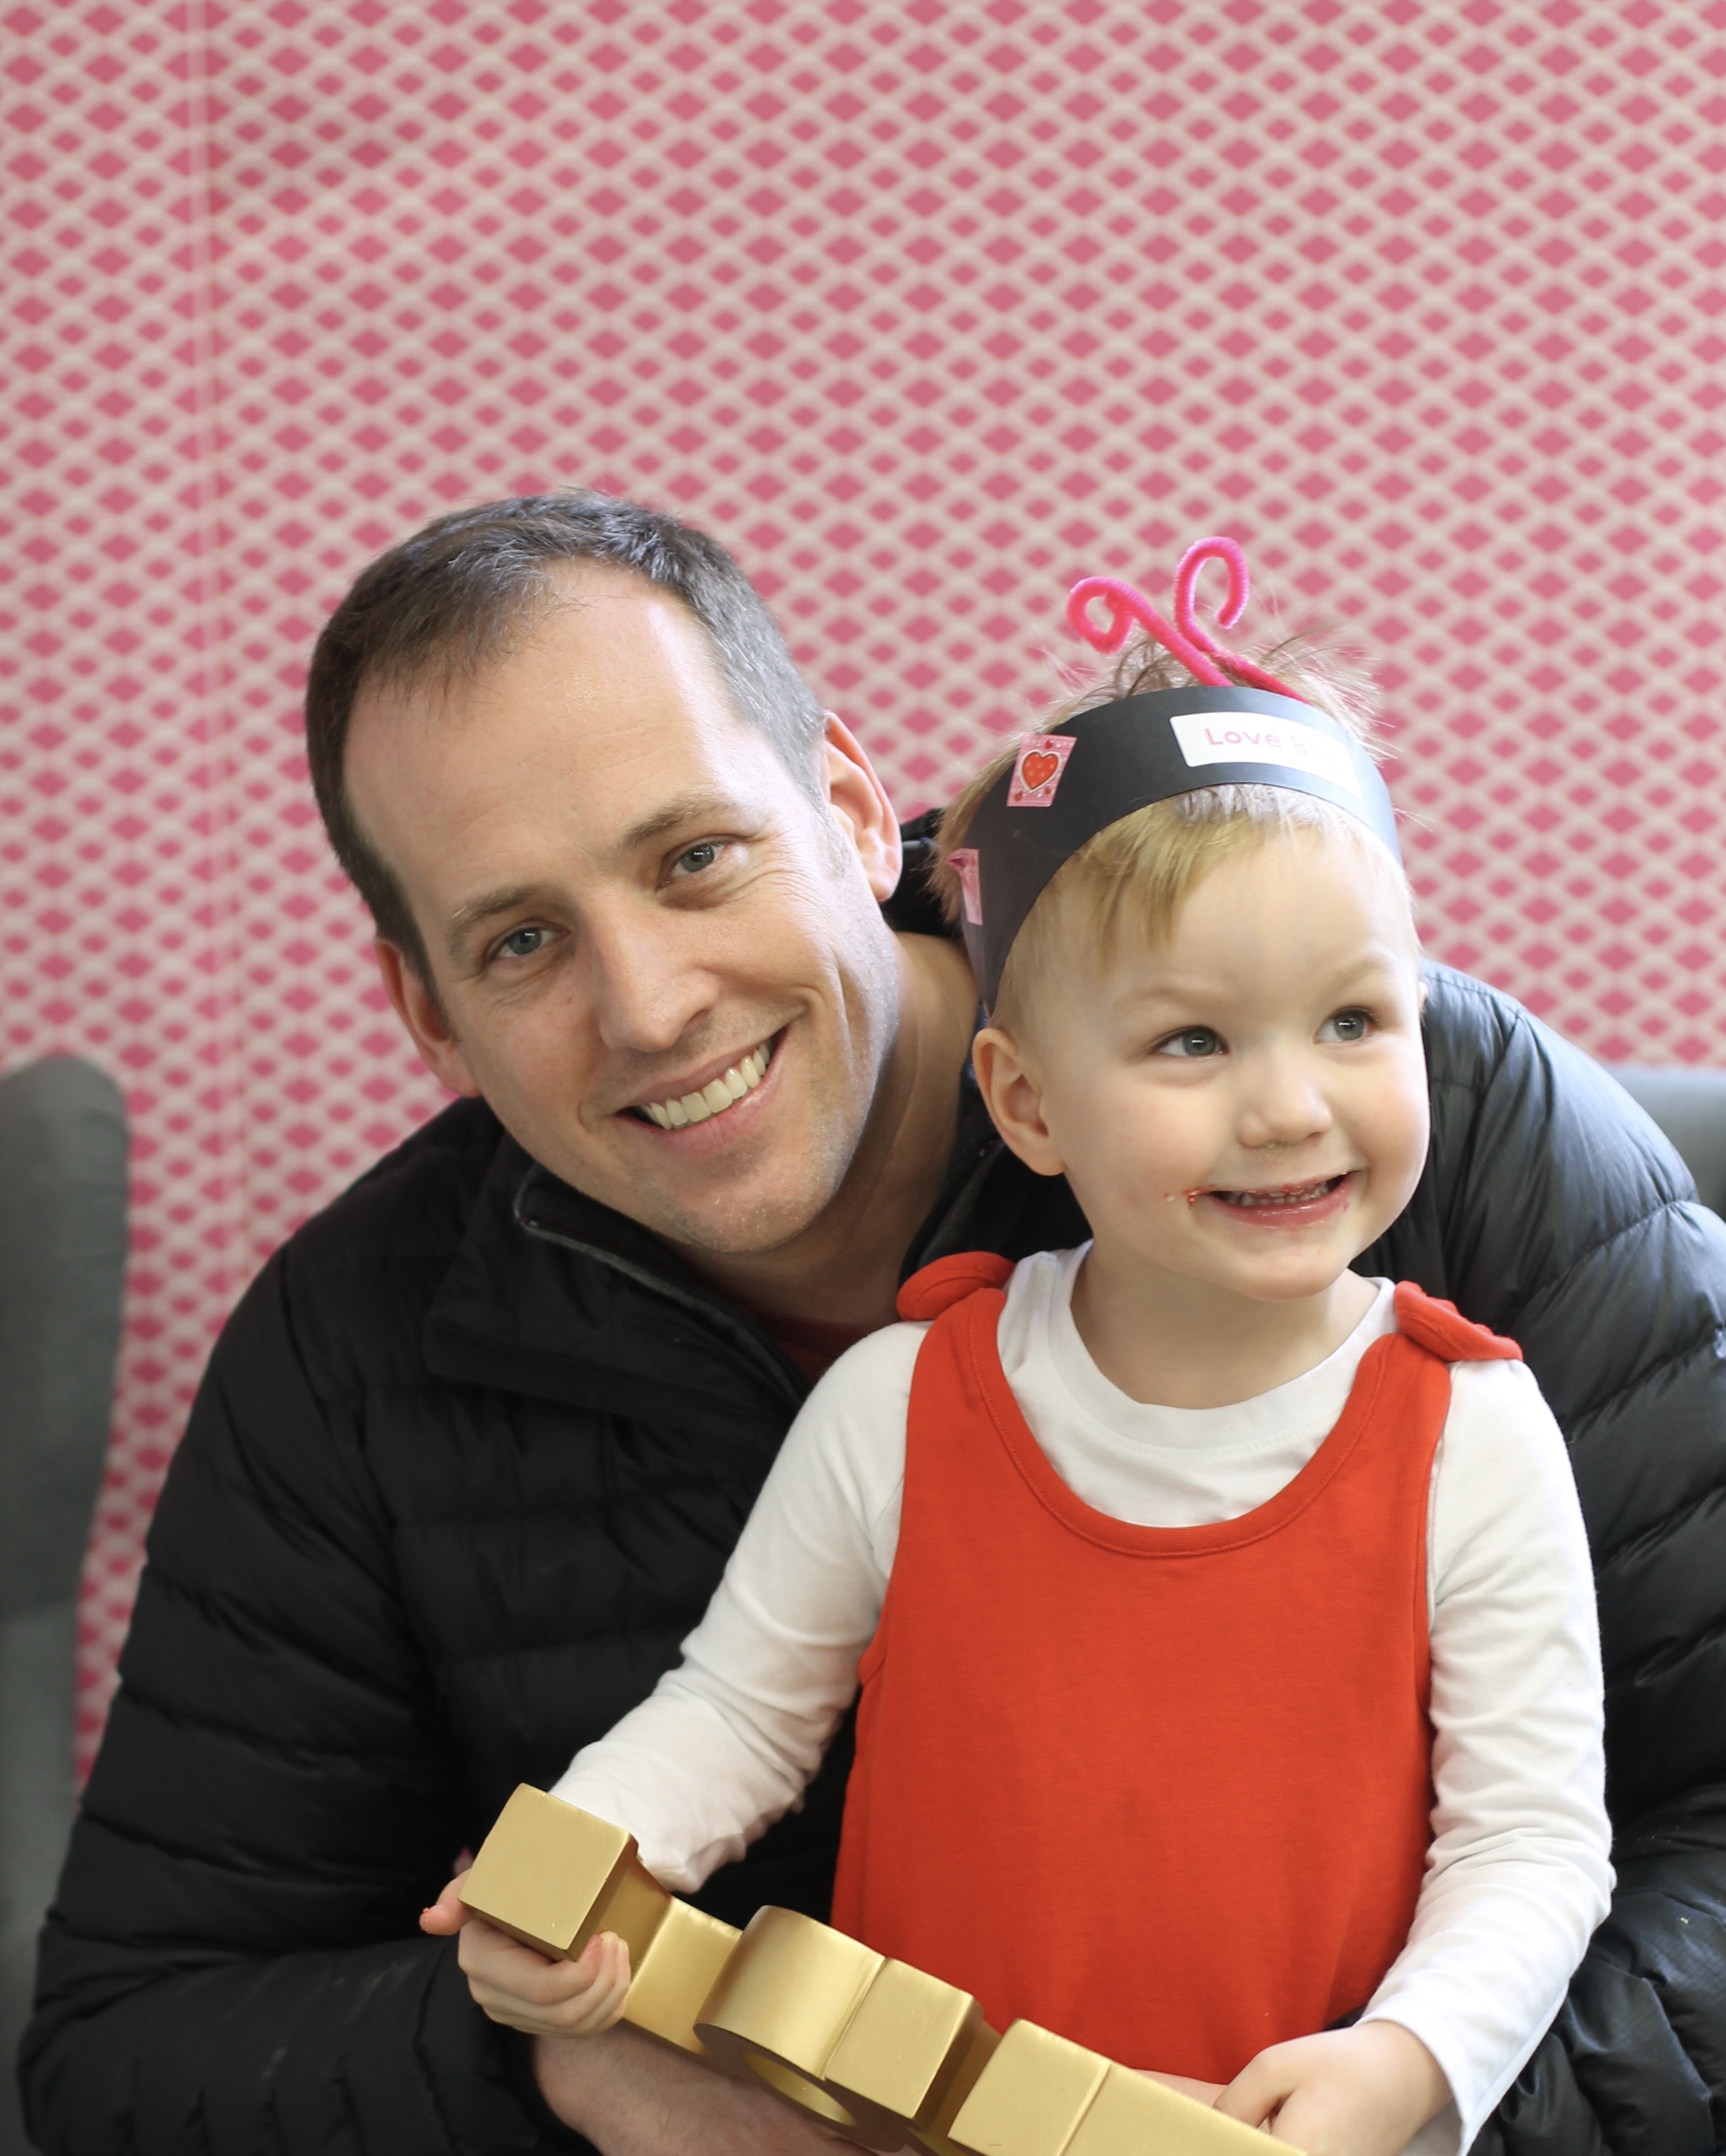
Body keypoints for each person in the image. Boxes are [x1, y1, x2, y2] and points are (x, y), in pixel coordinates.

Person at [17, 494, 1726, 2156]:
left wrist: (1418, 2104)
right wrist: (558, 2069)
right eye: (522, 941)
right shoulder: (356, 1347)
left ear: (846, 806)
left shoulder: (1443, 1138)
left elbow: (1638, 1839)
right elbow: (127, 2046)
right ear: (428, 1013)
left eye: (694, 858)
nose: (650, 1007)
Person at [420, 575, 1612, 2156]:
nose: (1288, 1108)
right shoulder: (902, 1403)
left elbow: (1530, 1844)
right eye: (1191, 1042)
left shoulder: (1470, 1429)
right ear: (1028, 1104)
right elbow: (735, 1716)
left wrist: (1407, 2065)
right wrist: (579, 1858)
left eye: (1350, 1022)